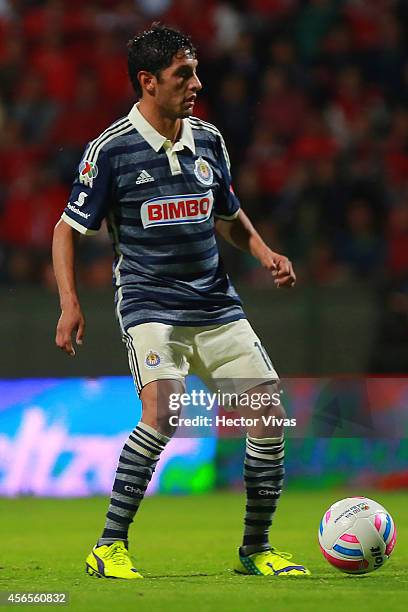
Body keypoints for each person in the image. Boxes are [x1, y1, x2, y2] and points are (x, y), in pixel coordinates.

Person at [52, 23, 310, 579]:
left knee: (267, 415)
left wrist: (264, 251)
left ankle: (256, 549)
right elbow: (66, 230)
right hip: (150, 305)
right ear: (148, 82)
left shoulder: (209, 140)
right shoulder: (111, 150)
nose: (196, 83)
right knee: (165, 410)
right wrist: (70, 303)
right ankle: (109, 546)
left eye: (194, 71)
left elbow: (227, 215)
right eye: (182, 75)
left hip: (216, 305)